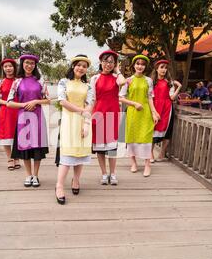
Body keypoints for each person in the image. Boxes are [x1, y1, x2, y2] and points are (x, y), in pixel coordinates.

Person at [54, 55, 94, 205]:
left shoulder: (88, 86)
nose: (81, 68)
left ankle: (76, 180)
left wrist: (86, 123)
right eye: (78, 65)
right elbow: (62, 101)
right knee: (67, 155)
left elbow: (90, 105)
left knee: (80, 153)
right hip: (68, 121)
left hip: (83, 121)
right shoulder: (64, 82)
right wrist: (81, 111)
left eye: (84, 66)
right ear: (73, 66)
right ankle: (59, 186)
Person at [7, 54, 50, 188]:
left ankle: (36, 176)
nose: (29, 65)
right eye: (27, 63)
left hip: (37, 117)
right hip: (23, 118)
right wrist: (24, 105)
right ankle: (28, 175)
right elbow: (9, 102)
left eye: (32, 63)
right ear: (22, 64)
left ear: (35, 65)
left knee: (37, 147)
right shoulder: (17, 82)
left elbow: (48, 100)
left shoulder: (40, 81)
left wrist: (36, 101)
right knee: (25, 147)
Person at [119, 54, 159, 177]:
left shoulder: (149, 80)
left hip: (146, 113)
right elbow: (120, 98)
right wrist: (134, 103)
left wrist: (154, 112)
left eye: (142, 64)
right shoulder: (128, 80)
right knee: (131, 137)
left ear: (145, 66)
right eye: (138, 63)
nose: (140, 66)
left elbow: (150, 98)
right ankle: (133, 163)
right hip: (132, 113)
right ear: (134, 65)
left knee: (146, 137)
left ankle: (147, 165)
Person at [91, 50, 126, 185]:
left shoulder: (117, 78)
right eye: (106, 61)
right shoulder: (95, 78)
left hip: (112, 114)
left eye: (111, 62)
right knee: (100, 148)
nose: (108, 64)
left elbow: (123, 82)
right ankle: (104, 173)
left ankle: (113, 173)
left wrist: (117, 70)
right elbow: (93, 98)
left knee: (112, 148)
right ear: (101, 62)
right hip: (99, 113)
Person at [0, 58, 20, 171]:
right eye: (5, 66)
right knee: (6, 135)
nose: (8, 68)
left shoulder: (19, 81)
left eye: (10, 66)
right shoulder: (0, 82)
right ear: (3, 69)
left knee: (17, 135)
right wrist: (7, 103)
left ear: (14, 67)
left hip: (18, 110)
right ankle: (9, 159)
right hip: (5, 111)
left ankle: (17, 157)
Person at [151, 59, 181, 161]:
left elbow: (172, 98)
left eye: (165, 68)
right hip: (155, 108)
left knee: (167, 132)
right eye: (162, 67)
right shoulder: (151, 82)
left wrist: (179, 87)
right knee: (152, 131)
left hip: (167, 109)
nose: (164, 70)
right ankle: (150, 154)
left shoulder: (169, 82)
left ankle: (162, 153)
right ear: (156, 69)